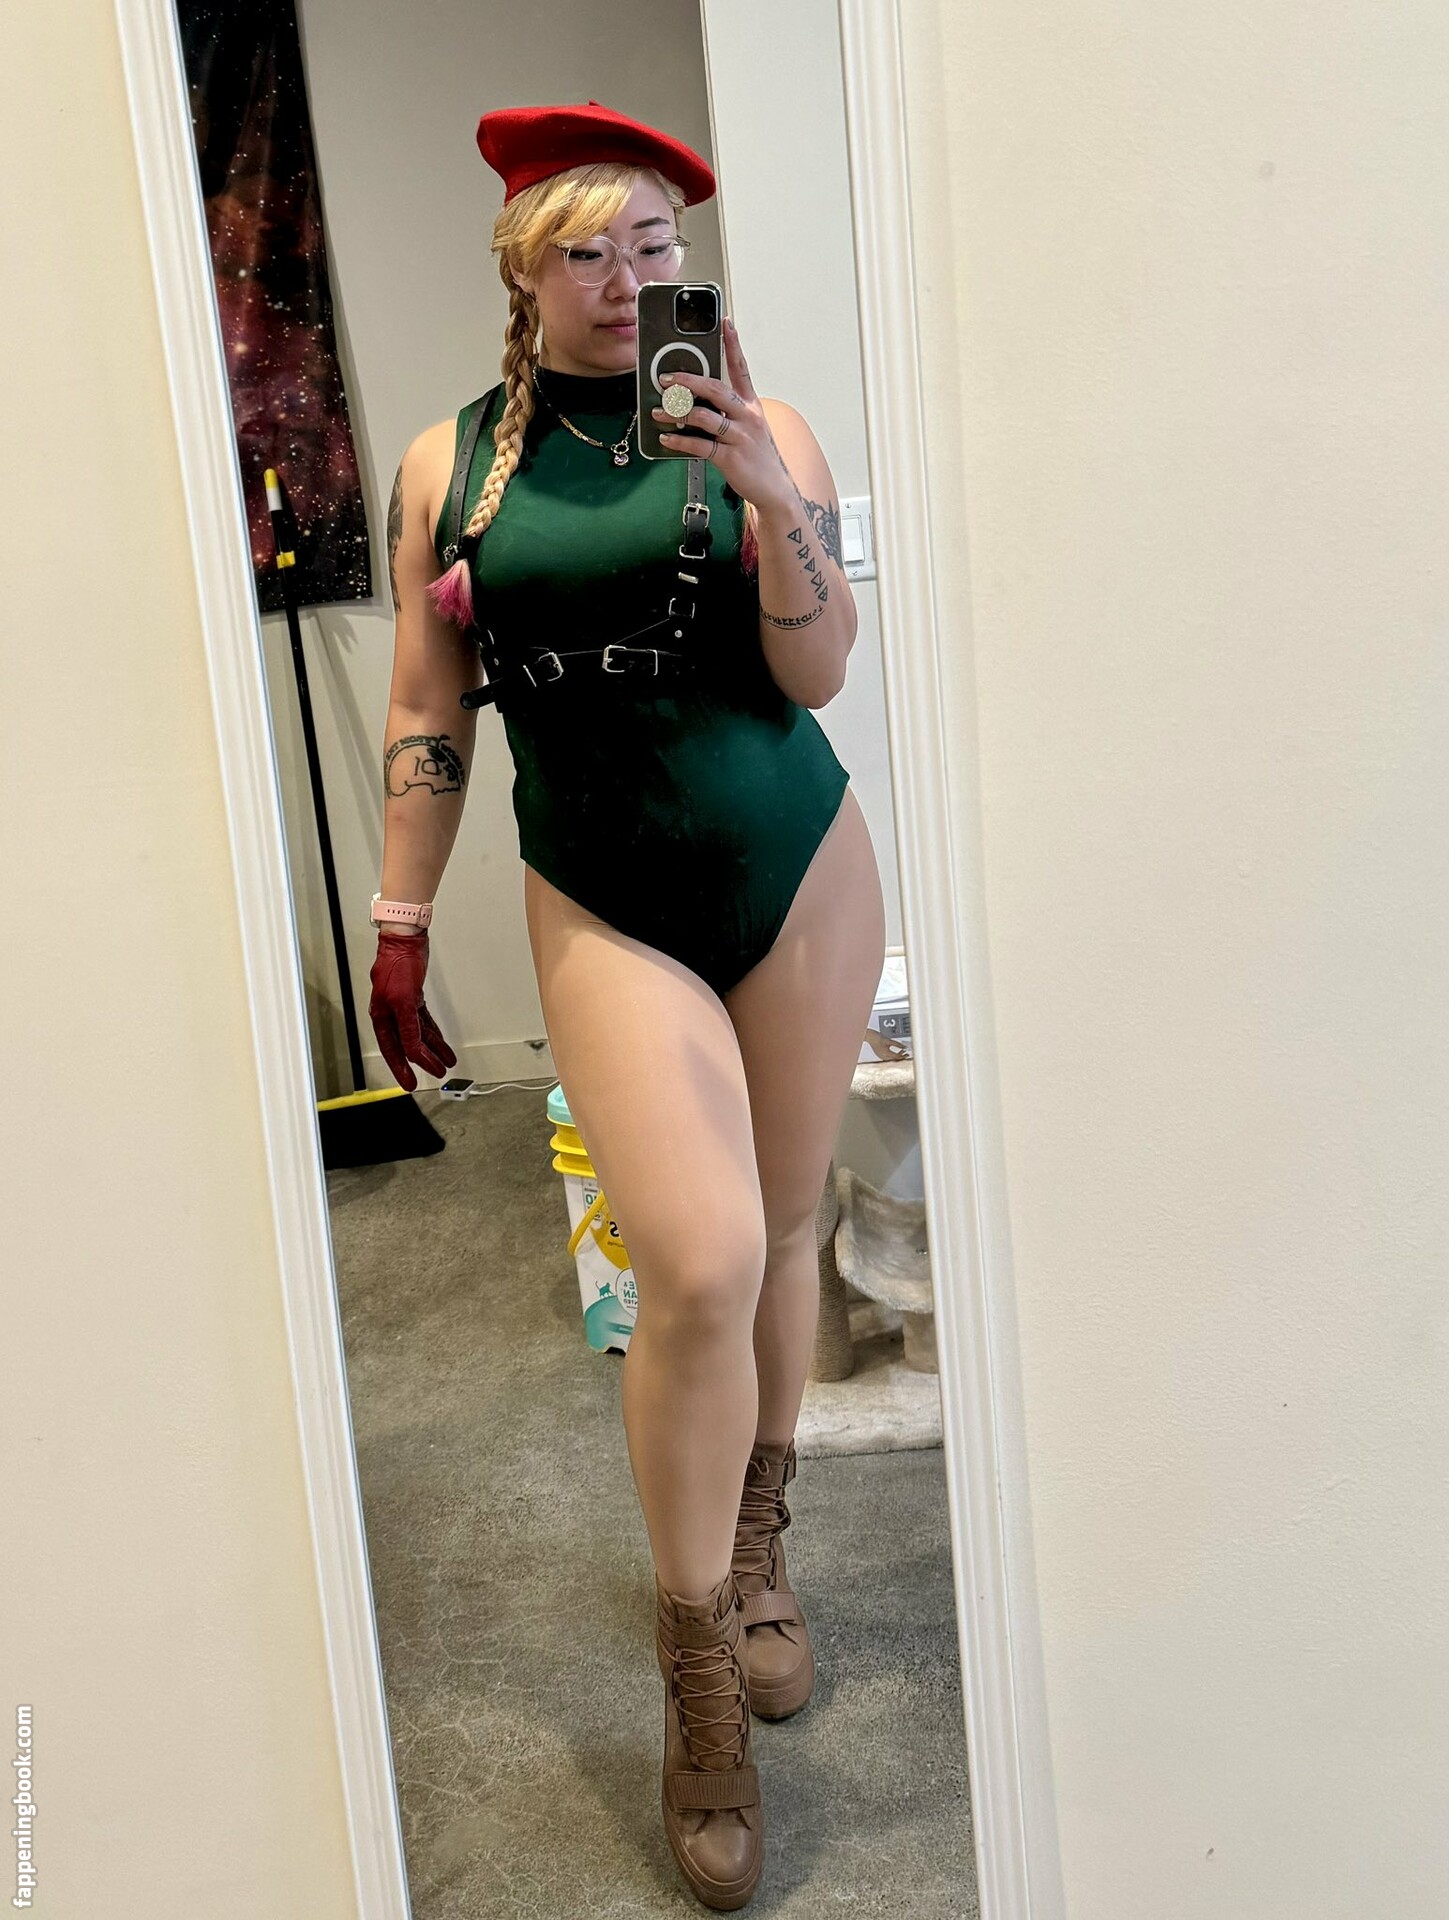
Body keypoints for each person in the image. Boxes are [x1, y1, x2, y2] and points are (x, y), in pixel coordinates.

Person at [368, 99, 886, 1911]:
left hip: (793, 865)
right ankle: (695, 1675)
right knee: (697, 1257)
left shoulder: (767, 427)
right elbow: (426, 704)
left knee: (788, 1223)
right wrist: (399, 919)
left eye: (651, 245)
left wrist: (765, 493)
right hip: (602, 894)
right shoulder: (450, 468)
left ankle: (756, 1553)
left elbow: (820, 670)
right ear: (523, 269)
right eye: (582, 250)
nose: (620, 278)